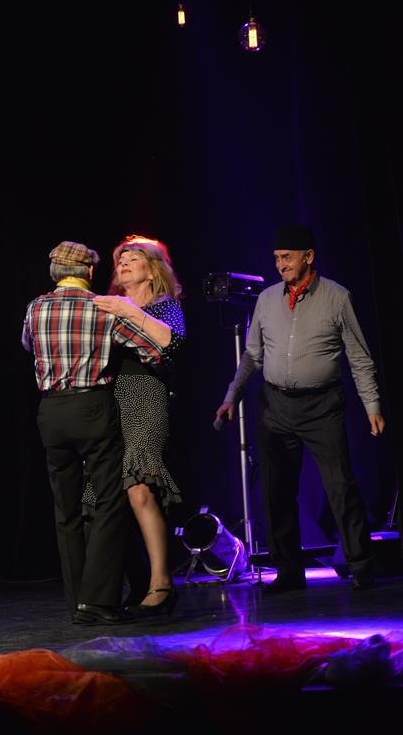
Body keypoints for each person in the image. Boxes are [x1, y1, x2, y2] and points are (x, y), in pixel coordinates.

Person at [215, 224, 385, 593]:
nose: (281, 265)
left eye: (287, 257)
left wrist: (371, 404)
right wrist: (232, 396)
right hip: (276, 406)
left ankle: (361, 566)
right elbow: (253, 356)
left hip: (322, 406)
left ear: (309, 257)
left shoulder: (337, 297)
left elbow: (359, 357)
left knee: (340, 487)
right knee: (275, 491)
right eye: (277, 258)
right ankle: (289, 572)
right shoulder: (267, 300)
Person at [22, 240, 167, 625]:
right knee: (108, 502)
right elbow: (154, 349)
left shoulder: (36, 307)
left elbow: (28, 345)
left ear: (54, 273)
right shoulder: (102, 306)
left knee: (66, 510)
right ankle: (98, 602)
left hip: (51, 410)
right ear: (88, 271)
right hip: (92, 407)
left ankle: (77, 604)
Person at [83, 234, 186, 616]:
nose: (123, 264)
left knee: (141, 489)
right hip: (106, 401)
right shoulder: (107, 307)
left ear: (153, 269)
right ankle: (138, 581)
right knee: (102, 498)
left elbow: (172, 343)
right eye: (120, 260)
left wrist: (130, 311)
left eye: (133, 258)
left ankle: (162, 584)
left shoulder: (165, 306)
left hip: (144, 394)